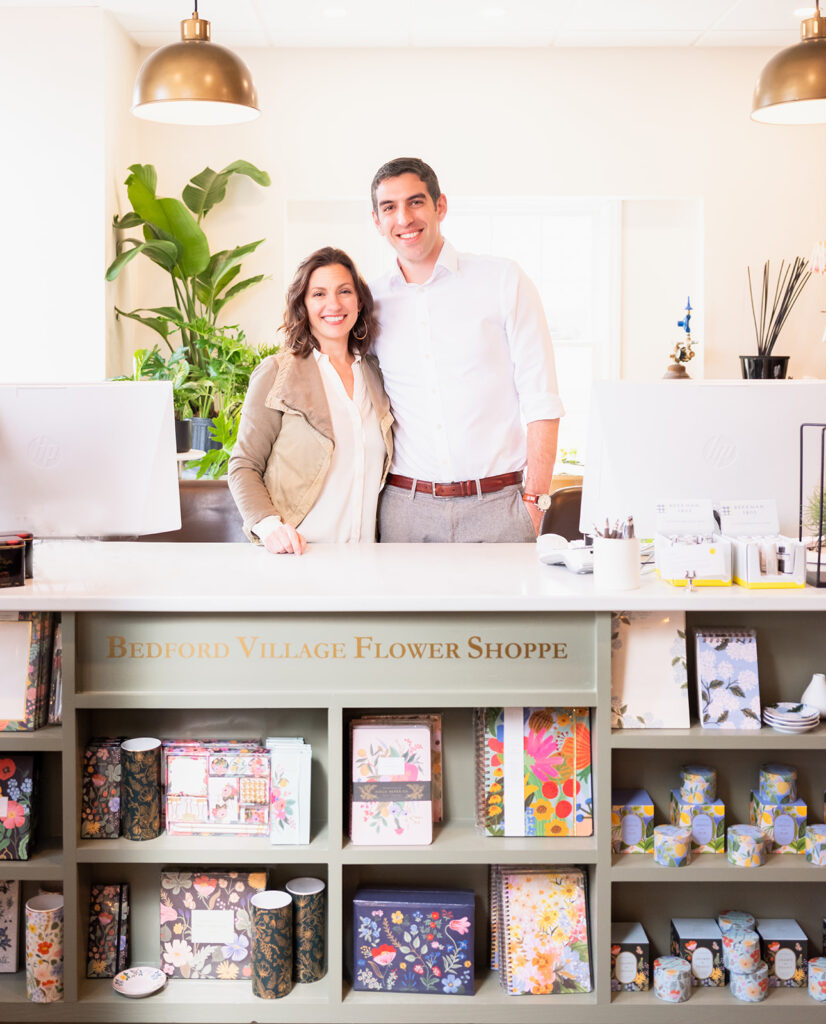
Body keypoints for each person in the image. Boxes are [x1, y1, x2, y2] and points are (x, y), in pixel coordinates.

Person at [369, 157, 564, 544]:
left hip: (500, 507)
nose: (404, 218)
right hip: (404, 511)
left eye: (416, 202)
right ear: (377, 221)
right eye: (389, 208)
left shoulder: (503, 280)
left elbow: (542, 401)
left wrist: (535, 502)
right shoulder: (369, 302)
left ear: (440, 206)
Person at [228, 247, 393, 555]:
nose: (334, 303)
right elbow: (243, 465)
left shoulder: (376, 376)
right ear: (303, 304)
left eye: (344, 291)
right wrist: (269, 527)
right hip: (298, 557)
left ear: (359, 301)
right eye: (318, 294)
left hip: (365, 560)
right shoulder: (277, 372)